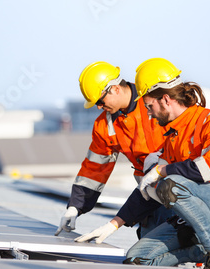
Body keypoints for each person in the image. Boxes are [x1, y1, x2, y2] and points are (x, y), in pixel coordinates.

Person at [78, 58, 210, 269]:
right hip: (196, 212)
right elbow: (148, 189)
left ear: (165, 99)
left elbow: (207, 171)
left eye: (150, 107)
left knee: (171, 185)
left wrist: (162, 171)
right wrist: (114, 224)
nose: (148, 114)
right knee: (137, 259)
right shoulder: (173, 138)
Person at [55, 61, 172, 239]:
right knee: (146, 256)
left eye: (100, 101)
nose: (99, 107)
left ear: (115, 89)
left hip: (177, 190)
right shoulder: (105, 125)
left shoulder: (154, 105)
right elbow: (94, 169)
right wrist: (75, 207)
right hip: (148, 197)